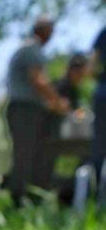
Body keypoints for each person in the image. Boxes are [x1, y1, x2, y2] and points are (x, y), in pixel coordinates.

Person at [5, 17, 70, 207]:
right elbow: (39, 81)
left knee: (33, 155)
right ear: (43, 30)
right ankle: (19, 200)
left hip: (27, 109)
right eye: (51, 30)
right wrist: (59, 103)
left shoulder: (28, 48)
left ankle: (32, 197)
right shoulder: (32, 50)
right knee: (25, 155)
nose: (52, 35)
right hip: (25, 110)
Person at [40, 53, 89, 193]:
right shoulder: (61, 85)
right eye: (80, 72)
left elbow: (74, 110)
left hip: (65, 134)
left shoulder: (73, 89)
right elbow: (52, 105)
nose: (82, 76)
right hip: (51, 133)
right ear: (73, 70)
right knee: (45, 168)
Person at [91, 26, 106, 187]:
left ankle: (95, 191)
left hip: (103, 92)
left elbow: (92, 66)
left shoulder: (103, 32)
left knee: (99, 143)